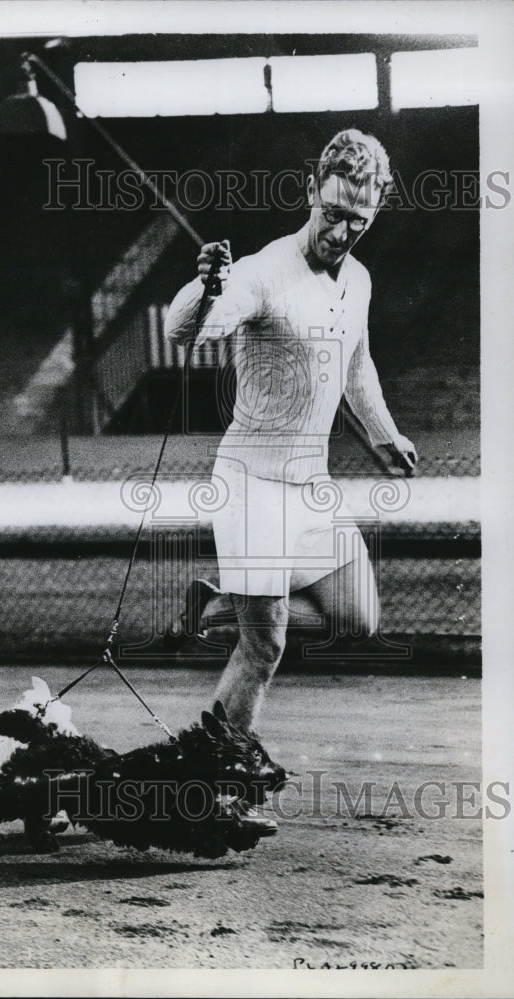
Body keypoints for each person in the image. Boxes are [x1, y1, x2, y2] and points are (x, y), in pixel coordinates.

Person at [164, 129, 417, 735]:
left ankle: (215, 603)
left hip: (311, 489)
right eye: (332, 214)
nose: (343, 232)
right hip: (251, 485)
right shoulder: (262, 272)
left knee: (358, 620)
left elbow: (356, 365)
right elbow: (183, 330)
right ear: (311, 192)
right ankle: (218, 775)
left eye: (360, 219)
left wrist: (386, 433)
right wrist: (205, 286)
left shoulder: (359, 280)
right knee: (263, 646)